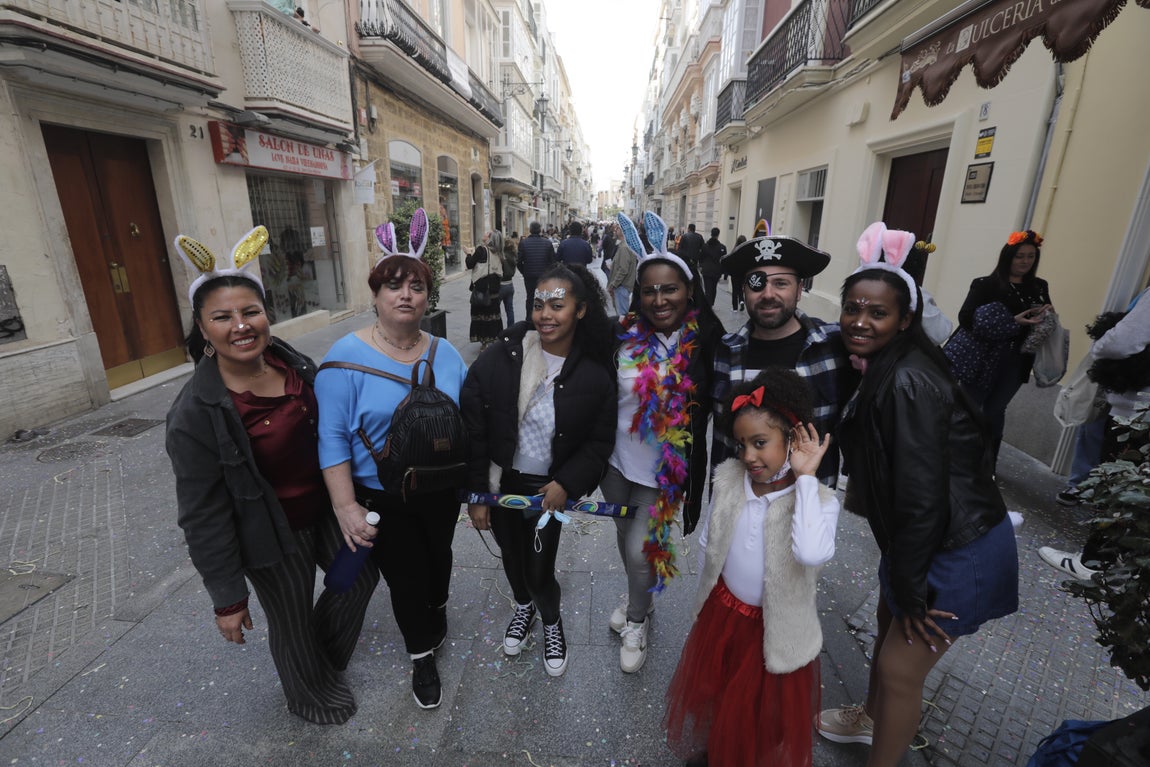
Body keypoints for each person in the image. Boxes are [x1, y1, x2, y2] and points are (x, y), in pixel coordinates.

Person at [817, 222, 1018, 765]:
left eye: (877, 312)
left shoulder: (906, 380)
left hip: (957, 546)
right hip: (919, 540)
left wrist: (910, 587)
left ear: (904, 319)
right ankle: (870, 720)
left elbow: (923, 496)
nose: (860, 320)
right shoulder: (889, 364)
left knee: (899, 669)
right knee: (887, 629)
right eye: (852, 307)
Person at [166, 227, 378, 724]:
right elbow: (202, 514)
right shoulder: (196, 413)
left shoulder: (293, 363)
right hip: (270, 533)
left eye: (250, 312)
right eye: (222, 317)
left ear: (267, 314)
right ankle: (309, 693)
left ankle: (315, 658)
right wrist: (227, 600)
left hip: (327, 509)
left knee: (359, 577)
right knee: (290, 615)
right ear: (202, 328)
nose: (240, 326)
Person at [315, 211, 468, 710]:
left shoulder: (446, 353)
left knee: (439, 559)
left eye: (417, 286)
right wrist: (345, 508)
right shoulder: (343, 358)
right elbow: (332, 438)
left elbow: (467, 421)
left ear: (429, 296)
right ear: (376, 295)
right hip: (382, 494)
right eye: (394, 285)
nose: (406, 294)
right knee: (405, 576)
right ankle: (421, 655)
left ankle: (439, 606)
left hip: (442, 490)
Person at [664, 368, 839, 766]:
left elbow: (812, 554)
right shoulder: (729, 479)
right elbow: (711, 542)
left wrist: (807, 479)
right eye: (742, 443)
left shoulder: (818, 502)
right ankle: (721, 750)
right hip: (724, 615)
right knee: (722, 696)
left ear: (792, 439)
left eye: (760, 443)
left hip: (774, 629)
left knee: (763, 713)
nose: (748, 456)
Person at [461, 264, 617, 677]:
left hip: (549, 491)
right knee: (511, 559)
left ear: (580, 310)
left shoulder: (595, 372)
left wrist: (567, 484)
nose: (546, 314)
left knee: (538, 568)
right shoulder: (503, 356)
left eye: (558, 305)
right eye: (539, 304)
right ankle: (524, 608)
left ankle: (551, 620)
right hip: (502, 484)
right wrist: (477, 493)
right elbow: (475, 427)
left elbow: (599, 442)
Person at [603, 211, 725, 674]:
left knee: (641, 550)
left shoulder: (710, 341)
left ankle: (638, 618)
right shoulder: (621, 335)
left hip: (664, 473)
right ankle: (642, 597)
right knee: (625, 540)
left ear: (688, 290)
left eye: (669, 288)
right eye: (649, 289)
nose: (659, 299)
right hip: (614, 466)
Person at [712, 226, 847, 483]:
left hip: (808, 508)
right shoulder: (725, 351)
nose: (768, 294)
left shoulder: (833, 346)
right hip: (739, 506)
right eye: (757, 284)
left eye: (781, 283)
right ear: (744, 292)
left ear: (798, 290)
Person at [1039, 285, 1150, 578]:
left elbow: (1122, 341)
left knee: (1117, 486)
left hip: (1136, 411)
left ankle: (1094, 562)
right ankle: (1122, 566)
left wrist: (1100, 343)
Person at [944, 229, 1053, 465]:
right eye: (1020, 256)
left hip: (1018, 359)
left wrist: (1046, 317)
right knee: (969, 408)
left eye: (1030, 257)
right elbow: (966, 318)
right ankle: (955, 458)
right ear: (1008, 257)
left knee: (995, 410)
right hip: (983, 357)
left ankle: (986, 463)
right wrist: (1012, 321)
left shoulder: (1039, 286)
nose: (1025, 261)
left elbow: (1042, 321)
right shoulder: (986, 285)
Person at [467, 230, 504, 349]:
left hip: (482, 290)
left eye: (487, 233)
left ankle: (484, 343)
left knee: (481, 316)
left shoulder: (481, 250)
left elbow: (469, 264)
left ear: (490, 238)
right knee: (493, 316)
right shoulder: (499, 252)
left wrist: (468, 254)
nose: (484, 233)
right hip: (494, 290)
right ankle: (493, 340)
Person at [517, 221, 558, 319]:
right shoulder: (547, 243)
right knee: (543, 298)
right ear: (540, 230)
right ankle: (543, 317)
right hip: (544, 277)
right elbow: (553, 262)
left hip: (529, 276)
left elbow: (518, 261)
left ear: (530, 230)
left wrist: (524, 272)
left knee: (530, 298)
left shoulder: (523, 243)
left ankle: (529, 319)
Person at [606, 222, 638, 317]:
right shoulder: (624, 246)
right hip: (623, 285)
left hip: (622, 286)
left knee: (622, 315)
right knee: (622, 314)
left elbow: (623, 269)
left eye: (618, 228)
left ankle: (623, 331)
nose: (616, 230)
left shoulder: (624, 247)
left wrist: (613, 284)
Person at [699, 226, 727, 306]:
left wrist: (701, 266)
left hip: (706, 270)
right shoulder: (722, 247)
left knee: (708, 288)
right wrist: (723, 272)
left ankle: (708, 304)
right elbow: (724, 260)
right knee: (714, 288)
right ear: (718, 235)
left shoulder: (705, 246)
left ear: (711, 234)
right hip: (716, 271)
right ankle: (711, 303)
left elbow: (700, 257)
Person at [499, 234, 518, 327]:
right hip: (510, 284)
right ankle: (511, 329)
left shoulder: (502, 256)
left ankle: (498, 330)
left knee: (496, 309)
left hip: (501, 285)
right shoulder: (514, 255)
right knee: (510, 309)